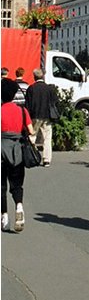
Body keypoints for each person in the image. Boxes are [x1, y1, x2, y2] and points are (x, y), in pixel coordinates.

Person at [2, 78, 35, 232]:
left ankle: (4, 217)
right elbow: (31, 130)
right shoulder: (22, 111)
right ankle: (19, 207)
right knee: (17, 183)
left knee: (1, 186)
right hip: (17, 151)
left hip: (2, 150)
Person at [24, 68, 59, 167]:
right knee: (47, 138)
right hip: (47, 116)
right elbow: (55, 102)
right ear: (43, 76)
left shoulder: (31, 88)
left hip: (34, 115)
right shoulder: (49, 89)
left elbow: (27, 105)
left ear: (34, 77)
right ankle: (46, 159)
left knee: (32, 136)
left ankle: (31, 156)